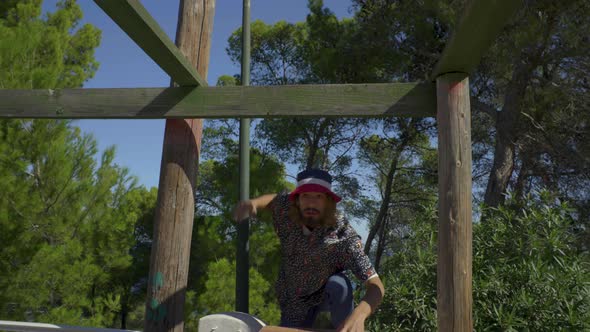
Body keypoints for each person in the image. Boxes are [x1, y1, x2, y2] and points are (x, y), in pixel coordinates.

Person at [233, 168, 385, 331]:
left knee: (339, 285)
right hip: (294, 297)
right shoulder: (287, 212)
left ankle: (345, 327)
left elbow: (376, 284)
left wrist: (359, 315)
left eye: (318, 197)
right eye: (305, 196)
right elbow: (274, 199)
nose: (311, 203)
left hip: (326, 290)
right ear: (297, 200)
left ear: (329, 202)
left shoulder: (342, 235)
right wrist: (254, 203)